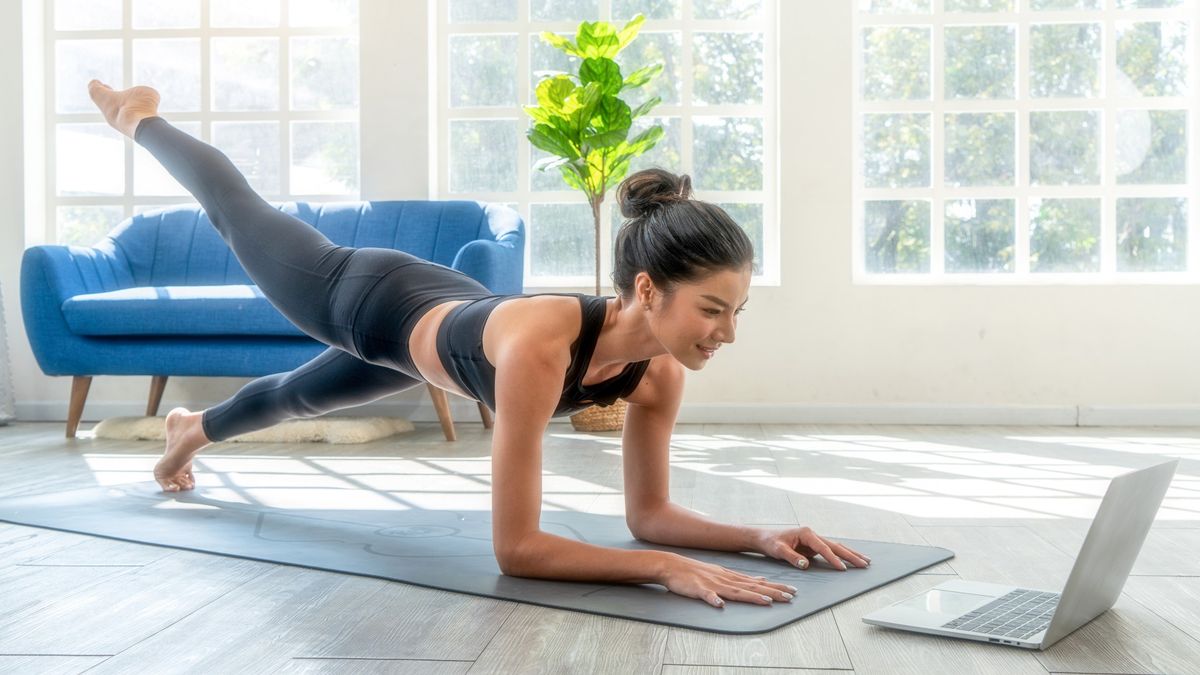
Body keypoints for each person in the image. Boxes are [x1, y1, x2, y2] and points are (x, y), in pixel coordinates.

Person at [87, 80, 870, 609]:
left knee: (294, 396)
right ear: (645, 290)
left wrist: (758, 535)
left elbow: (651, 513)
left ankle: (189, 430)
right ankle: (137, 116)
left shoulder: (656, 376)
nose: (726, 333)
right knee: (236, 210)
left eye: (736, 312)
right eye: (711, 309)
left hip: (440, 314)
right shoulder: (541, 349)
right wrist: (662, 569)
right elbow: (518, 547)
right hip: (361, 294)